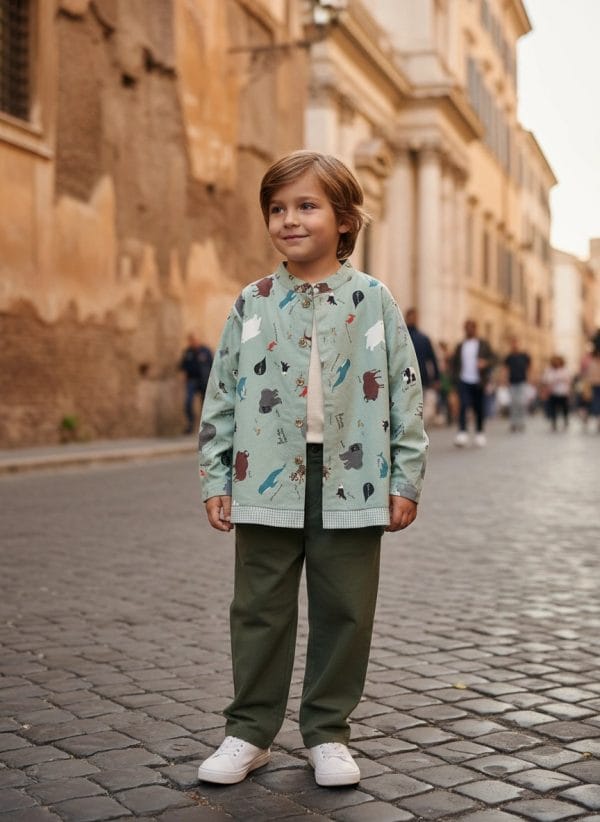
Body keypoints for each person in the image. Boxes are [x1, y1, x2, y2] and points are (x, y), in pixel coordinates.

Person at [196, 150, 428, 788]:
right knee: (259, 607)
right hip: (264, 470)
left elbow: (405, 393)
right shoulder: (254, 300)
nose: (288, 220)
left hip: (354, 478)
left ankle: (328, 732)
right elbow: (223, 391)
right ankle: (249, 731)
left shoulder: (374, 299)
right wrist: (216, 477)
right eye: (276, 209)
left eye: (306, 206)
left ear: (345, 220)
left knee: (345, 609)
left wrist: (405, 478)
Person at [451, 319, 495, 447]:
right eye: (467, 327)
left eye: (471, 327)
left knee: (479, 408)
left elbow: (494, 358)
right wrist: (455, 382)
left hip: (479, 381)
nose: (469, 330)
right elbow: (454, 364)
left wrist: (485, 363)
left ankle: (480, 433)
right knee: (463, 405)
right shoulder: (460, 346)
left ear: (475, 329)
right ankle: (462, 433)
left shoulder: (483, 344)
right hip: (463, 380)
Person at [405, 308, 440, 427]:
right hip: (405, 375)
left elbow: (432, 359)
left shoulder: (424, 338)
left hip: (421, 376)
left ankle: (416, 426)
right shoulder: (401, 336)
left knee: (419, 402)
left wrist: (436, 378)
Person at [179, 333, 213, 434]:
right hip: (192, 381)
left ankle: (206, 426)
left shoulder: (206, 351)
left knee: (205, 405)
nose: (194, 342)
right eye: (191, 340)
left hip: (204, 380)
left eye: (195, 340)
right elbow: (183, 366)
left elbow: (213, 365)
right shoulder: (187, 352)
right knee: (188, 402)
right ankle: (190, 423)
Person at [503, 337, 531, 432]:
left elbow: (529, 368)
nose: (515, 345)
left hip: (522, 382)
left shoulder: (524, 356)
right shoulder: (509, 357)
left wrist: (530, 379)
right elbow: (506, 369)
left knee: (521, 403)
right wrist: (505, 380)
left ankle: (521, 422)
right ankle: (513, 423)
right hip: (512, 382)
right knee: (513, 403)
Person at [541, 355, 570, 431]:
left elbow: (568, 381)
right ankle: (554, 423)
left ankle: (565, 421)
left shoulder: (564, 370)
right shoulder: (549, 370)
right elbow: (545, 380)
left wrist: (568, 391)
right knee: (553, 408)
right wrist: (546, 390)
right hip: (552, 392)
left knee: (564, 408)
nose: (557, 363)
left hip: (563, 392)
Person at [582, 347, 600, 432]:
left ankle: (595, 420)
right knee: (593, 404)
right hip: (593, 386)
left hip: (594, 386)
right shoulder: (591, 364)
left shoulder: (590, 363)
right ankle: (590, 419)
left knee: (594, 404)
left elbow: (586, 375)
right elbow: (587, 376)